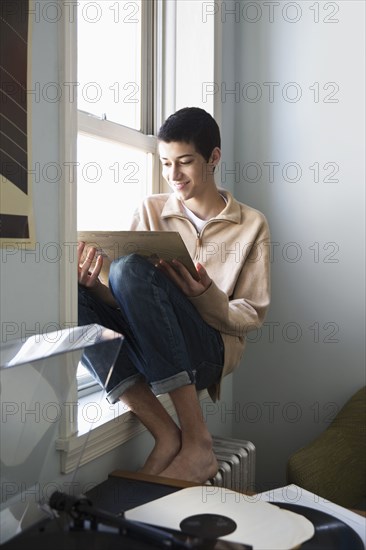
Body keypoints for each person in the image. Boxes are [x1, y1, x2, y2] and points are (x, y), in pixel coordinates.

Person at [78, 107, 271, 483]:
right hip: (156, 345)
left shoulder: (252, 224)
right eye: (166, 163)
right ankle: (166, 435)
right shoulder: (149, 209)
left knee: (129, 268)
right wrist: (96, 288)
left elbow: (252, 313)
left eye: (184, 162)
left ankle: (197, 442)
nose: (173, 175)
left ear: (213, 158)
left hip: (209, 350)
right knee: (77, 292)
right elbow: (128, 295)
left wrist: (206, 297)